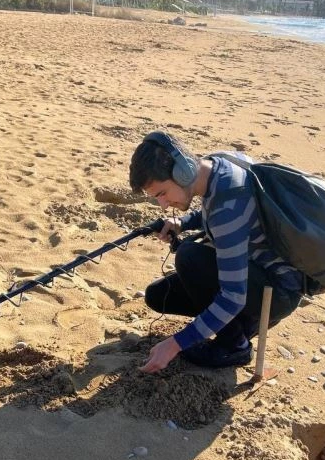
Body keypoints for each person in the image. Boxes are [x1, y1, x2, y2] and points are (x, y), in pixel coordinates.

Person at [129, 131, 304, 374]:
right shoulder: (219, 165)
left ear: (184, 171)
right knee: (158, 295)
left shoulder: (228, 206)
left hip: (277, 292)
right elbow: (225, 213)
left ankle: (235, 345)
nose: (163, 205)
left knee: (190, 257)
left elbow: (233, 297)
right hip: (258, 273)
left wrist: (174, 345)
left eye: (162, 194)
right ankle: (240, 324)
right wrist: (185, 222)